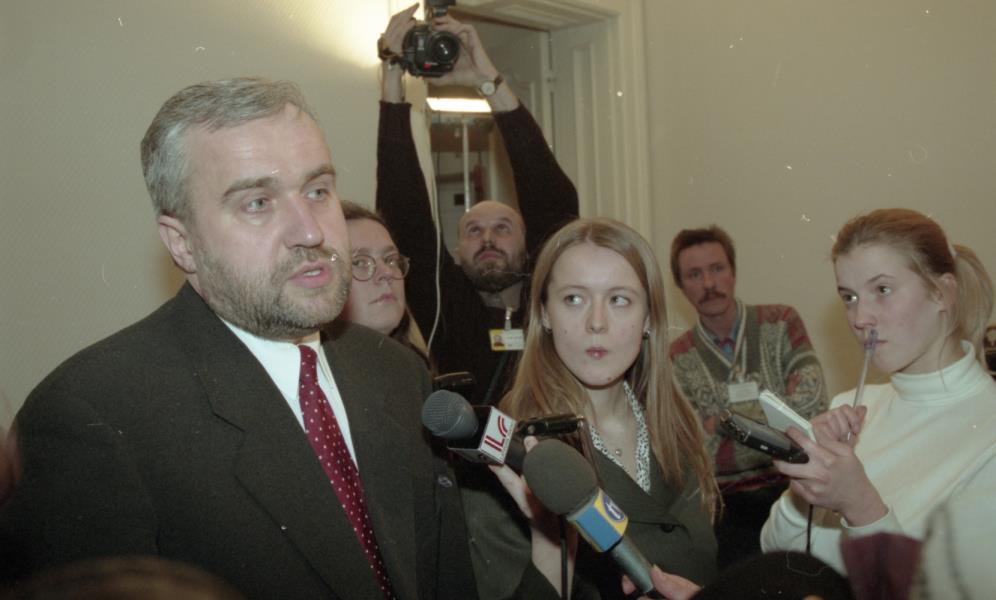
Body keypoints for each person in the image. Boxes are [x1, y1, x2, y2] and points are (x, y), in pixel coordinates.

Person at [0, 77, 476, 600]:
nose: (311, 231)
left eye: (318, 191)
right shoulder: (89, 418)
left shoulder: (395, 371)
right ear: (182, 243)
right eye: (257, 203)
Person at [760, 208, 996, 575]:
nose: (860, 319)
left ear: (943, 293)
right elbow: (774, 556)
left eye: (882, 290)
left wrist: (861, 506)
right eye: (849, 297)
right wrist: (804, 489)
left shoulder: (988, 433)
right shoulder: (849, 407)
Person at [492, 217, 719, 599]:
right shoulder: (511, 449)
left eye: (618, 300)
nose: (596, 323)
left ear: (648, 318)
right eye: (574, 299)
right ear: (544, 313)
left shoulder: (678, 426)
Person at [376, 5, 579, 406]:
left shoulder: (550, 301)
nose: (488, 238)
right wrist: (392, 74)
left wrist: (487, 80)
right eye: (473, 230)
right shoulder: (443, 303)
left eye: (503, 228)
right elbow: (403, 212)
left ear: (530, 243)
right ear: (457, 251)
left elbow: (550, 194)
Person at [668, 225, 828, 568]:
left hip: (797, 493)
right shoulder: (674, 358)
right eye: (694, 274)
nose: (709, 283)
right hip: (728, 514)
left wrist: (722, 423)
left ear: (733, 271)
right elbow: (696, 455)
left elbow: (812, 407)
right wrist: (777, 419)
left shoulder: (782, 323)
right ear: (680, 286)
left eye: (717, 268)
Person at [338, 200, 429, 364]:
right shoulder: (309, 376)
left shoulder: (415, 367)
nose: (387, 272)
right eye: (360, 262)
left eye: (390, 259)